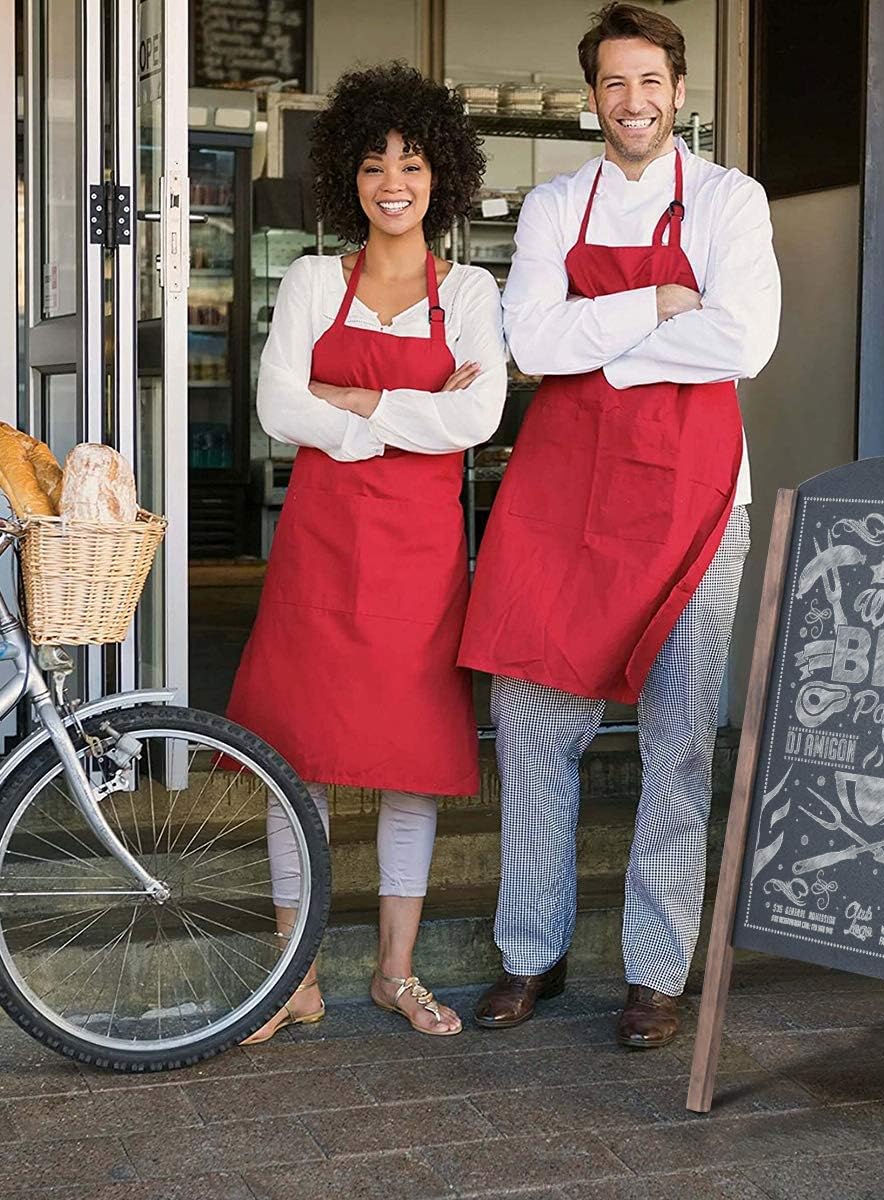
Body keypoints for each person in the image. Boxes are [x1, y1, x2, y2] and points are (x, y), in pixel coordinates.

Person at [459, 3, 780, 1048]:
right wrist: (657, 309)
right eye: (613, 83)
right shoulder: (556, 203)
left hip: (693, 501)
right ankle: (530, 956)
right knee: (532, 725)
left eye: (650, 82)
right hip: (566, 499)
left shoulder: (732, 201)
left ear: (679, 92)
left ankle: (654, 973)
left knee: (679, 741)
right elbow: (533, 344)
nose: (632, 101)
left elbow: (749, 340)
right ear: (592, 96)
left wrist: (606, 349)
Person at [227, 61, 505, 1042]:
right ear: (349, 172)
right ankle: (293, 979)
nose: (394, 179)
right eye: (377, 160)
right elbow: (275, 407)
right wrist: (406, 416)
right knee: (293, 756)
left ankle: (395, 971)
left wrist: (357, 404)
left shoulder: (468, 290)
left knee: (411, 762)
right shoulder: (311, 279)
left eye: (414, 161)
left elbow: (480, 413)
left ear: (443, 177)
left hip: (420, 559)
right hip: (319, 546)